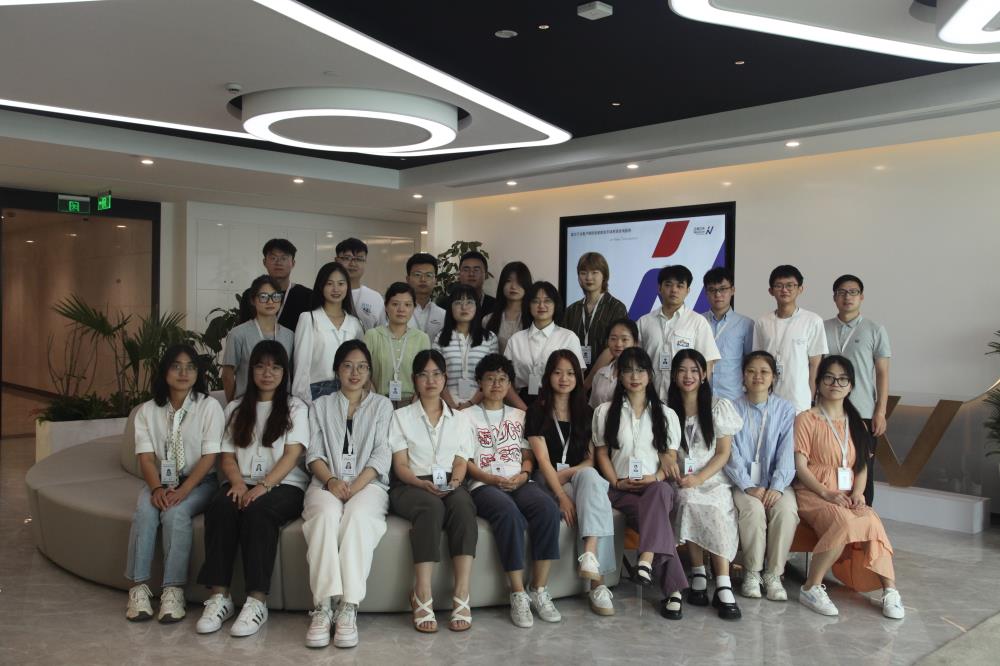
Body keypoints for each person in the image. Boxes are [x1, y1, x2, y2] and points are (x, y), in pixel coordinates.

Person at [196, 341, 309, 636]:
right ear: (251, 370)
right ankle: (219, 598)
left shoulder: (296, 408)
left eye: (275, 367)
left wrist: (263, 485)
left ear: (285, 372)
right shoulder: (235, 408)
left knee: (259, 511)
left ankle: (256, 601)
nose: (267, 373)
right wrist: (236, 482)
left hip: (285, 485)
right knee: (221, 506)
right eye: (260, 366)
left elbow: (292, 455)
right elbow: (227, 456)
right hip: (241, 480)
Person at [793, 355, 904, 620]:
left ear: (851, 385)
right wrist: (826, 493)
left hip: (847, 494)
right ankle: (811, 587)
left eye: (843, 379)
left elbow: (861, 467)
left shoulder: (857, 423)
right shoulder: (806, 419)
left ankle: (890, 590)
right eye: (829, 377)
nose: (836, 383)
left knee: (871, 520)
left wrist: (857, 494)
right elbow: (800, 466)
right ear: (819, 382)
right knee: (844, 522)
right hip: (814, 492)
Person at [301, 340, 393, 649]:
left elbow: (381, 454)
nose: (355, 373)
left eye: (362, 367)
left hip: (369, 484)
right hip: (325, 482)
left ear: (369, 371)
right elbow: (314, 453)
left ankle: (348, 606)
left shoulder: (382, 405)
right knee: (325, 516)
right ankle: (323, 606)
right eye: (348, 366)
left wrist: (356, 485)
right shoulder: (320, 406)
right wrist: (331, 481)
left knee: (357, 516)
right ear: (337, 370)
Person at [124, 344, 223, 623]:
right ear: (164, 371)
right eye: (176, 366)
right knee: (145, 511)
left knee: (176, 513)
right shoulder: (147, 411)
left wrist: (184, 490)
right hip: (161, 480)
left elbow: (210, 457)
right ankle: (138, 589)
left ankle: (173, 590)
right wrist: (157, 488)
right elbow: (145, 458)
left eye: (190, 367)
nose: (183, 373)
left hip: (200, 481)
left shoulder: (209, 407)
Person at [464, 354, 563, 628]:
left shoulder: (520, 415)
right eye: (490, 379)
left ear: (510, 384)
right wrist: (489, 478)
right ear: (480, 382)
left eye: (502, 379)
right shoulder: (465, 417)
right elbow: (465, 462)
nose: (496, 384)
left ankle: (539, 589)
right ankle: (517, 593)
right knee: (508, 513)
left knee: (547, 509)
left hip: (518, 481)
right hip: (483, 485)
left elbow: (527, 455)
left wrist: (524, 475)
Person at [592, 347, 688, 620]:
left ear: (650, 375)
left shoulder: (666, 414)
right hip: (619, 490)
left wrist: (654, 478)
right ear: (619, 376)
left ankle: (645, 560)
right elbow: (601, 453)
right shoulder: (604, 411)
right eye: (628, 371)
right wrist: (616, 481)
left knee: (660, 491)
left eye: (640, 370)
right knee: (658, 522)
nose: (634, 376)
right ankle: (672, 590)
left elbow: (669, 457)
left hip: (653, 487)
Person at [388, 350, 478, 633]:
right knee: (431, 506)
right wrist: (421, 484)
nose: (431, 381)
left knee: (463, 505)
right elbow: (400, 466)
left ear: (445, 378)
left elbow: (461, 461)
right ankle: (422, 593)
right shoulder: (400, 417)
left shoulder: (460, 419)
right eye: (424, 375)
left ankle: (461, 593)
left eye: (436, 374)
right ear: (414, 379)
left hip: (450, 481)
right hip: (410, 484)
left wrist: (456, 483)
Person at [527, 350, 617, 616]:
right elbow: (543, 461)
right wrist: (562, 495)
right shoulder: (536, 411)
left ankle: (590, 556)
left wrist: (570, 474)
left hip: (576, 478)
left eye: (569, 373)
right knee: (596, 494)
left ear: (578, 377)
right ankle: (598, 585)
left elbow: (590, 461)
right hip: (546, 482)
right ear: (548, 376)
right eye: (557, 372)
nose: (564, 378)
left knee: (592, 478)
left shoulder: (586, 413)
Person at [666, 349, 744, 620]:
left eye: (694, 370)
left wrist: (700, 478)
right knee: (687, 500)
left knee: (717, 508)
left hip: (713, 479)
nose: (688, 376)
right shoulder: (667, 410)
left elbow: (723, 453)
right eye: (682, 370)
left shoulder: (718, 406)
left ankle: (723, 582)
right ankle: (698, 572)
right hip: (681, 479)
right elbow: (665, 450)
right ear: (674, 376)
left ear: (703, 375)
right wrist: (675, 469)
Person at [724, 351, 798, 601]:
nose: (758, 376)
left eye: (764, 372)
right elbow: (729, 452)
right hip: (742, 483)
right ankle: (752, 573)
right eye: (751, 371)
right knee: (753, 510)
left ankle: (774, 574)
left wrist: (777, 487)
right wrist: (747, 485)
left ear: (774, 377)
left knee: (786, 510)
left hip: (778, 482)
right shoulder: (731, 408)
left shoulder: (785, 409)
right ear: (743, 376)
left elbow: (787, 451)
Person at [824, 274, 891, 507]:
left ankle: (863, 520)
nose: (847, 297)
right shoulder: (821, 328)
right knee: (830, 466)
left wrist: (880, 411)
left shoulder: (875, 329)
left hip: (862, 410)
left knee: (863, 468)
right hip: (827, 411)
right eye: (842, 292)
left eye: (853, 292)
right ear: (834, 297)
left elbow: (882, 373)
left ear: (861, 297)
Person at [637, 265, 720, 401]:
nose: (674, 290)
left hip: (684, 400)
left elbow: (707, 362)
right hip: (650, 398)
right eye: (668, 285)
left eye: (680, 286)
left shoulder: (698, 322)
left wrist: (696, 397)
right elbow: (636, 360)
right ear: (659, 288)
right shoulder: (644, 322)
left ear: (688, 290)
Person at [753, 265, 828, 413]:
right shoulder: (762, 322)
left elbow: (815, 365)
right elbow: (757, 361)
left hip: (799, 401)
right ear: (770, 291)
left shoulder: (813, 321)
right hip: (767, 398)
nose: (784, 290)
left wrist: (812, 400)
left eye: (790, 285)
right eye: (778, 286)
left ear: (800, 289)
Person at [292, 262, 364, 403]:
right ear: (321, 286)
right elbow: (301, 365)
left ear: (347, 286)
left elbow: (362, 363)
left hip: (349, 392)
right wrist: (302, 401)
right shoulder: (309, 318)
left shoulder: (355, 323)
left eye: (341, 284)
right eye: (329, 283)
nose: (336, 289)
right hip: (317, 393)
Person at [504, 281, 584, 407]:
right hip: (522, 402)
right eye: (535, 301)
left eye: (547, 301)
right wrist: (525, 410)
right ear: (528, 305)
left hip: (559, 402)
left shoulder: (568, 337)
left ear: (556, 305)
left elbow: (577, 378)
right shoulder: (516, 339)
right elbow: (505, 379)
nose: (541, 305)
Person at [222, 275, 294, 402]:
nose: (270, 302)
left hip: (281, 405)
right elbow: (227, 375)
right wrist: (233, 405)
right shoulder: (238, 334)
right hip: (247, 404)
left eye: (275, 296)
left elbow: (292, 373)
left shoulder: (290, 335)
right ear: (252, 300)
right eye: (263, 297)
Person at [363, 282, 431, 405]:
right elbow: (363, 370)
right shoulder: (372, 335)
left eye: (407, 305)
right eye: (395, 304)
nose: (401, 309)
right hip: (377, 402)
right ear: (386, 306)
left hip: (412, 403)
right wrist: (374, 399)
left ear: (414, 308)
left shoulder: (422, 338)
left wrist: (417, 399)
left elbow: (425, 373)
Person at [434, 285, 499, 410]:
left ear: (477, 307)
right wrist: (452, 405)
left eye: (469, 302)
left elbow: (492, 376)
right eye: (458, 303)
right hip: (448, 405)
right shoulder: (440, 338)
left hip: (481, 404)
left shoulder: (489, 338)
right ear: (450, 308)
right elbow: (437, 375)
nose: (464, 307)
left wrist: (471, 403)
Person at [563, 252, 628, 370]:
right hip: (574, 376)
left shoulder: (616, 308)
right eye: (583, 273)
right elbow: (564, 346)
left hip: (606, 376)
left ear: (604, 276)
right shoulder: (572, 310)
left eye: (594, 272)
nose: (588, 277)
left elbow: (614, 348)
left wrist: (589, 379)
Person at [702, 267, 754, 401]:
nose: (718, 294)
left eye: (723, 289)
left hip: (733, 397)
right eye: (712, 290)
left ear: (733, 290)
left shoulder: (746, 324)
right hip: (701, 396)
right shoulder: (698, 322)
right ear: (706, 293)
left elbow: (750, 362)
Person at [239, 239, 312, 331]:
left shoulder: (307, 296)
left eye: (284, 258)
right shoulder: (251, 294)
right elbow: (244, 329)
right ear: (264, 262)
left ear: (293, 263)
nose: (278, 263)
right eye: (273, 258)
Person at [377, 252, 446, 341]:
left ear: (435, 281)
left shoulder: (443, 315)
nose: (423, 279)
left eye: (428, 275)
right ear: (408, 279)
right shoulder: (392, 310)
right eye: (417, 274)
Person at [484, 261, 533, 355]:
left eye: (519, 281)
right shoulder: (488, 320)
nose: (513, 286)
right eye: (508, 281)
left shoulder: (533, 319)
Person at [588, 318, 638, 409]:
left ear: (635, 343)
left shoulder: (641, 375)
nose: (618, 344)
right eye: (613, 339)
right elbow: (593, 408)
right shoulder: (600, 374)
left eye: (624, 339)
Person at [336, 237, 384, 330]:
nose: (353, 264)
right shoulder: (327, 294)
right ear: (337, 260)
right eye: (347, 258)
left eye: (359, 259)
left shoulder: (375, 298)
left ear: (365, 262)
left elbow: (381, 333)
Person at [437, 251, 495, 323]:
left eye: (476, 270)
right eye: (466, 270)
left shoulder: (496, 306)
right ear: (459, 274)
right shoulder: (444, 305)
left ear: (485, 275)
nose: (471, 274)